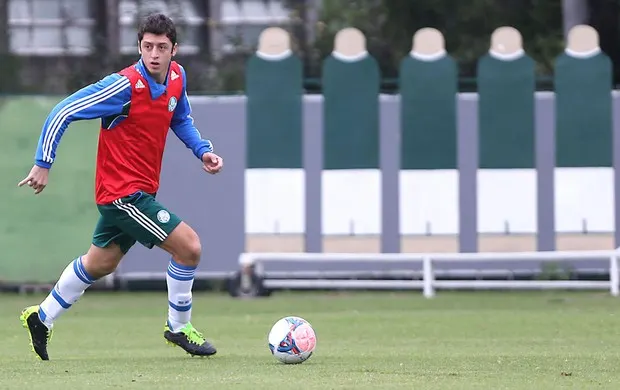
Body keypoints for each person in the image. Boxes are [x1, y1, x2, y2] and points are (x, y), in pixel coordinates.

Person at [17, 13, 223, 361]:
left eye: (161, 47)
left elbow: (180, 117)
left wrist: (202, 150)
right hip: (122, 195)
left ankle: (42, 316)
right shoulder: (123, 86)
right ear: (139, 47)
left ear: (175, 49)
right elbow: (63, 110)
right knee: (189, 248)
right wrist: (43, 162)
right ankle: (178, 326)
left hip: (140, 192)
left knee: (101, 262)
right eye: (147, 47)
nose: (154, 54)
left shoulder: (176, 77)